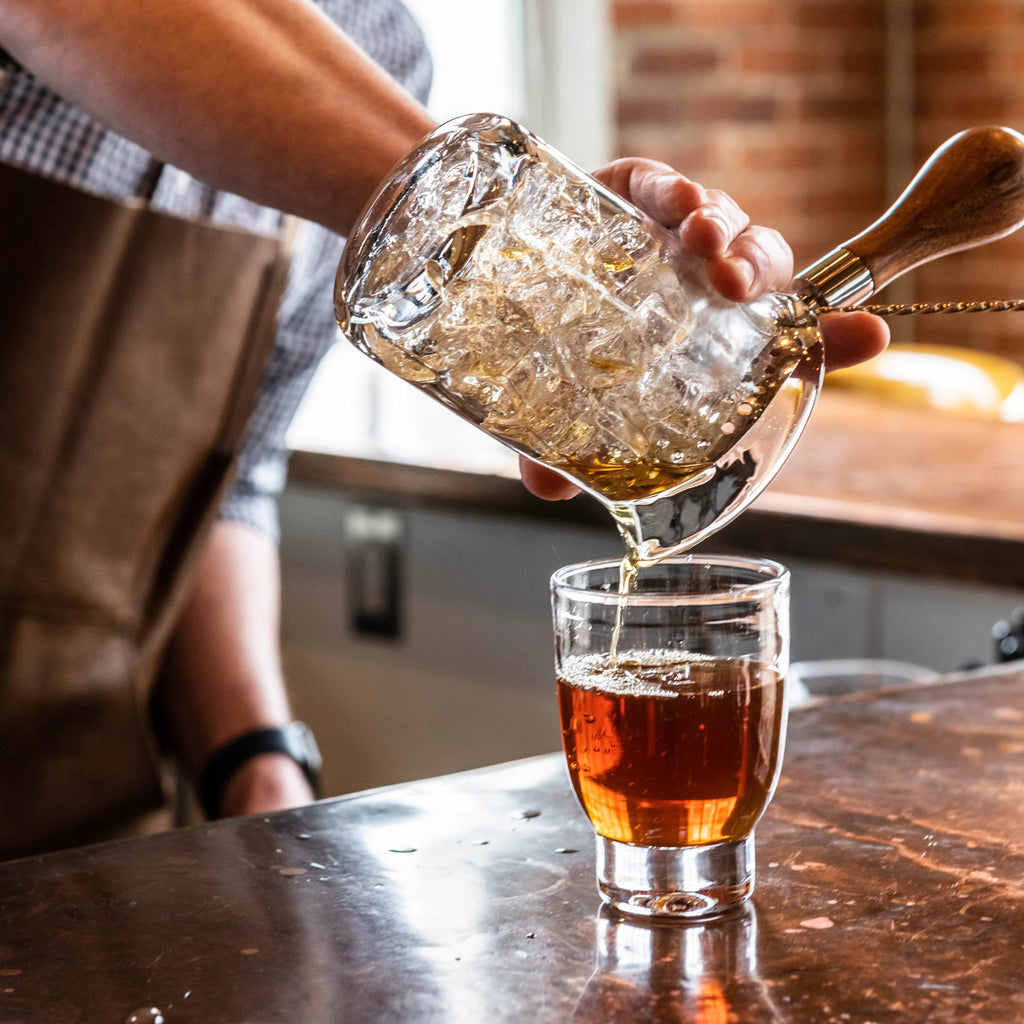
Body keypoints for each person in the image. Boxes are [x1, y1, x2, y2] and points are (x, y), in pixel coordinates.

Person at [0, 0, 889, 859]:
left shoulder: (380, 51)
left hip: (74, 817)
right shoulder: (380, 119)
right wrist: (518, 229)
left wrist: (258, 764)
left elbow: (227, 476)